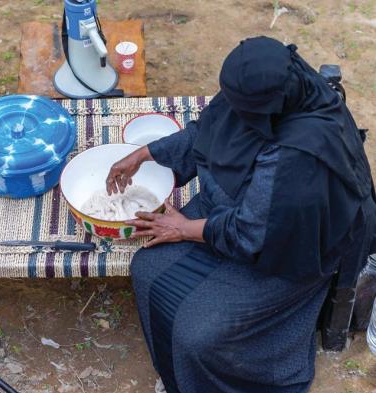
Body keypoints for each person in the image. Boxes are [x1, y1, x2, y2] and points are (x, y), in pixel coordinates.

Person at [106, 36, 376, 393]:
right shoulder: (264, 93)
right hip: (237, 210)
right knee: (148, 267)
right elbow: (208, 130)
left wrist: (185, 229)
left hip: (289, 248)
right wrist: (146, 154)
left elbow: (255, 232)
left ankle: (244, 373)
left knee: (196, 333)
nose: (232, 110)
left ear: (268, 107)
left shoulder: (298, 156)